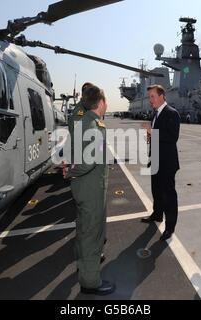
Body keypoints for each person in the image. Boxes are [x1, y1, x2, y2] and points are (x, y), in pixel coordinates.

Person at [63, 85, 114, 295]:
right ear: (101, 103)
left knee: (84, 228)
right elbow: (88, 162)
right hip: (91, 186)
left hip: (84, 187)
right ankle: (90, 281)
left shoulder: (81, 121)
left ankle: (83, 262)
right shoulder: (93, 125)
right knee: (92, 232)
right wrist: (71, 171)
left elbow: (81, 151)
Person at [141, 84, 180, 241]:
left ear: (162, 96)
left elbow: (172, 137)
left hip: (167, 162)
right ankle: (157, 215)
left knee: (168, 195)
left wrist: (152, 132)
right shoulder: (156, 113)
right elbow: (159, 136)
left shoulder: (172, 113)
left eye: (153, 96)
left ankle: (170, 228)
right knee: (156, 190)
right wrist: (150, 137)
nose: (150, 100)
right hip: (156, 159)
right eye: (149, 97)